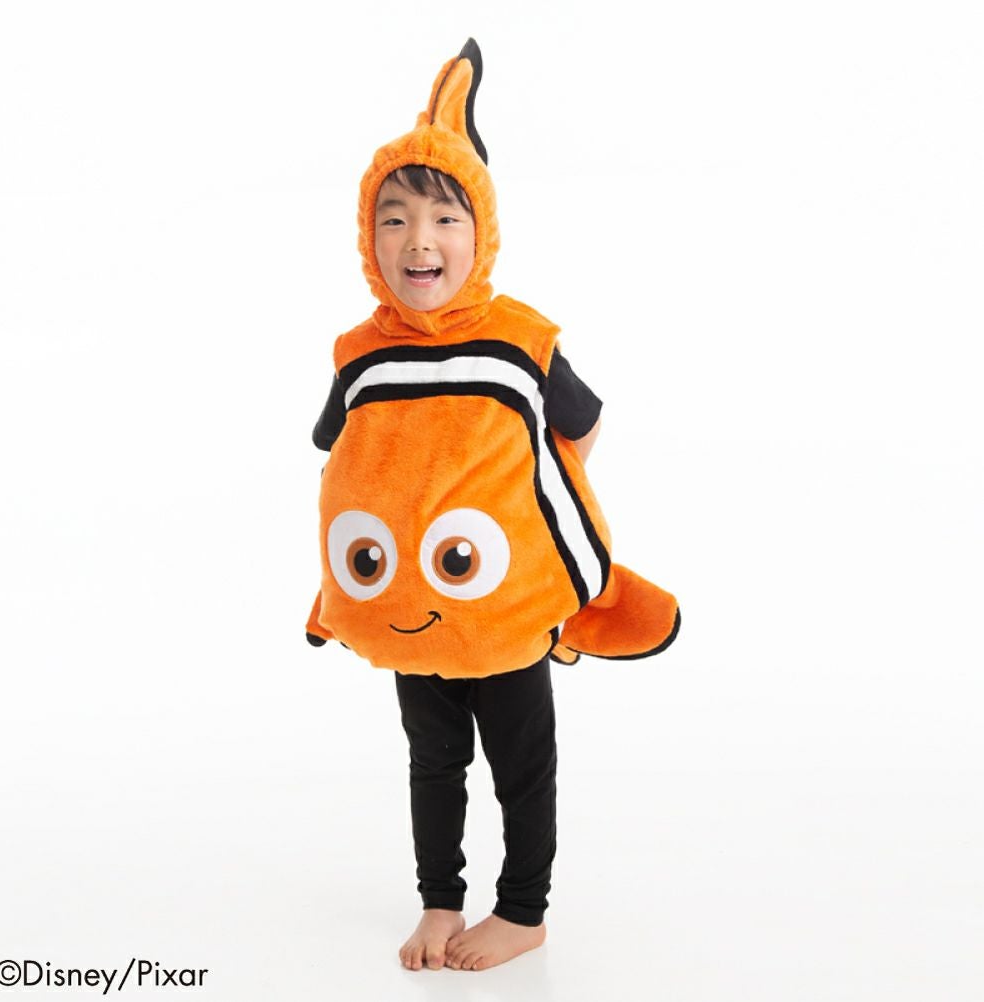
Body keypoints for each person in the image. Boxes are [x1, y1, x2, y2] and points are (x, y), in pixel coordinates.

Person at [306, 39, 680, 973]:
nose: (418, 241)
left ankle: (522, 912)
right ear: (367, 240)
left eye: (444, 217)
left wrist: (523, 525)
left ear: (482, 234)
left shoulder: (519, 342)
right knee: (431, 762)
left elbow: (582, 430)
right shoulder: (359, 353)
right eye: (393, 219)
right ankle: (439, 901)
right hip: (409, 613)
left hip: (501, 614)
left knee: (521, 766)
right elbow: (341, 460)